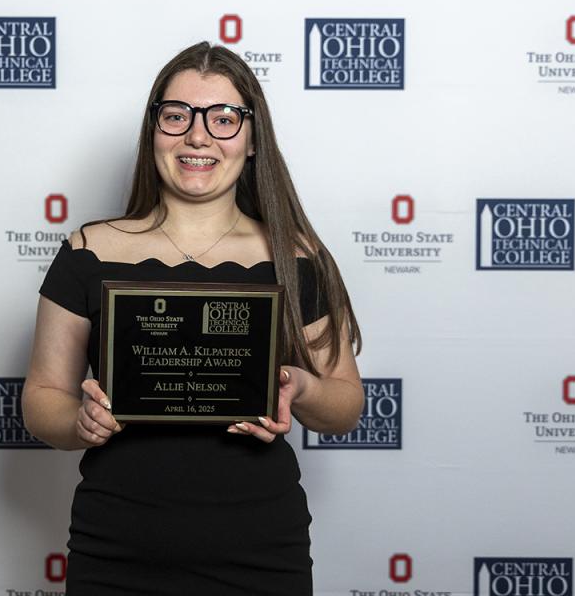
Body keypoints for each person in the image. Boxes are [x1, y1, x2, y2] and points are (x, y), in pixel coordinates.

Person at [22, 42, 363, 595]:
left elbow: (345, 403)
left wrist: (297, 386)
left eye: (224, 119)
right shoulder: (88, 249)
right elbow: (42, 396)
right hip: (116, 547)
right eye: (176, 116)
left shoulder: (297, 256)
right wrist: (77, 421)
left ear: (252, 141)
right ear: (153, 130)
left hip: (261, 551)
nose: (198, 137)